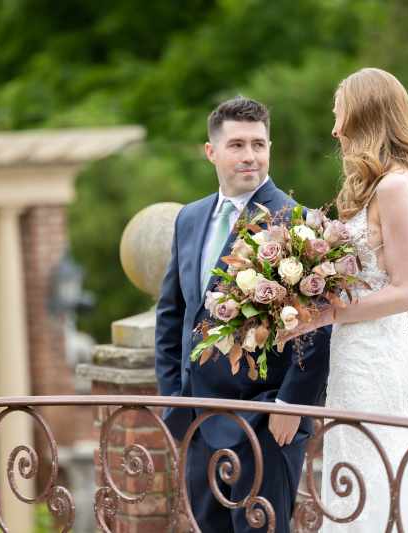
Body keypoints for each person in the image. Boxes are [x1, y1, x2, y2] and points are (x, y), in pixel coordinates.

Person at [280, 68, 408, 531]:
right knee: (365, 463)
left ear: (364, 117)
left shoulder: (394, 187)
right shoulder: (393, 183)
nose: (335, 129)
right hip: (363, 348)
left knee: (373, 463)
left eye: (340, 115)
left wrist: (325, 314)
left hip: (372, 354)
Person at [154, 96, 331, 533]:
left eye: (258, 144)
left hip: (265, 422)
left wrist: (291, 405)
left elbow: (317, 327)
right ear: (211, 152)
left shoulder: (296, 221)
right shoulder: (189, 218)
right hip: (198, 419)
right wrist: (174, 400)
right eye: (237, 145)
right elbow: (173, 314)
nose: (250, 155)